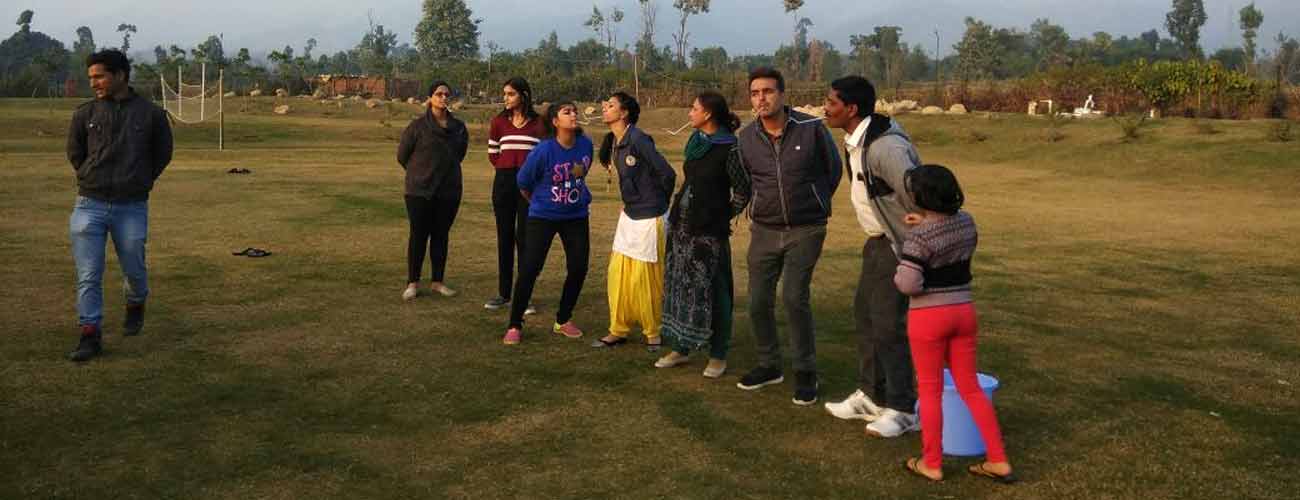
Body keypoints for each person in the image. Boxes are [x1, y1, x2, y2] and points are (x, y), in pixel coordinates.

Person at [895, 164, 1014, 484]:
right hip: (963, 311)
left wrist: (903, 263)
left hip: (928, 317)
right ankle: (998, 459)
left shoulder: (919, 237)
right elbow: (947, 232)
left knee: (930, 390)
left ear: (922, 197)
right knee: (970, 387)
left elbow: (908, 284)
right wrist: (925, 222)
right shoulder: (967, 222)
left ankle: (931, 463)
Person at [734, 67, 841, 406]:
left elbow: (833, 170)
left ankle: (806, 371)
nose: (761, 99)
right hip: (764, 229)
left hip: (806, 228)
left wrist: (815, 201)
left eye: (767, 91)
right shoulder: (746, 138)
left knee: (795, 297)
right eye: (755, 93)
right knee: (757, 301)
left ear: (782, 94)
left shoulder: (811, 128)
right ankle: (769, 365)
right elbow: (746, 180)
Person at [820, 75, 920, 438]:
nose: (825, 109)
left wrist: (915, 247)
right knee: (866, 317)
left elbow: (917, 195)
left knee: (889, 325)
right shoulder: (857, 140)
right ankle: (873, 396)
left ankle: (904, 409)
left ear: (851, 109)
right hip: (876, 243)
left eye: (831, 102)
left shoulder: (885, 147)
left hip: (897, 246)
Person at [65, 49, 174, 362]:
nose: (93, 83)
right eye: (91, 77)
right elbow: (75, 152)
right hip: (89, 204)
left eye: (99, 76)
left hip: (131, 206)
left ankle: (136, 302)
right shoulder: (84, 114)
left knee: (135, 270)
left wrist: (140, 180)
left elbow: (162, 153)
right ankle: (90, 333)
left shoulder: (152, 115)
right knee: (89, 273)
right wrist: (89, 175)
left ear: (121, 75)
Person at [654, 91, 750, 378]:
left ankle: (718, 354)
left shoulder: (729, 147)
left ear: (708, 114)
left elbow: (742, 190)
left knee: (714, 290)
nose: (689, 113)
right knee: (680, 287)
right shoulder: (695, 142)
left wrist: (721, 215)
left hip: (709, 232)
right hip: (682, 227)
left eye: (694, 109)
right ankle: (680, 347)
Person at [502, 102, 594, 345]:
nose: (574, 115)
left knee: (579, 267)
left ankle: (563, 319)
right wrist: (539, 202)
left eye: (574, 111)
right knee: (530, 268)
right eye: (567, 112)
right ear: (555, 121)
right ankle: (515, 324)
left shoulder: (585, 145)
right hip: (543, 217)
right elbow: (523, 182)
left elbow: (582, 174)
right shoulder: (543, 150)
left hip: (576, 216)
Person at [591, 92, 676, 351]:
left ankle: (653, 332)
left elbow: (667, 173)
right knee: (618, 274)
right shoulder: (615, 142)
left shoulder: (638, 139)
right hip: (629, 216)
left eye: (611, 105)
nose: (605, 109)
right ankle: (618, 330)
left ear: (624, 112)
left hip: (649, 218)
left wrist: (658, 203)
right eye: (605, 105)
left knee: (645, 279)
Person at [397, 81, 468, 301]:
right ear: (430, 98)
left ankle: (438, 282)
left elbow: (460, 155)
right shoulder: (417, 126)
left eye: (447, 94)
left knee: (441, 236)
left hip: (448, 191)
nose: (443, 98)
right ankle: (413, 283)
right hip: (419, 191)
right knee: (418, 235)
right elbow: (402, 156)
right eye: (439, 94)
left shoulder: (458, 128)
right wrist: (420, 173)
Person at [485, 77, 542, 316]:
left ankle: (524, 296)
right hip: (503, 183)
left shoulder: (539, 124)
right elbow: (493, 154)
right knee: (505, 238)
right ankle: (504, 293)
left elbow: (544, 156)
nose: (506, 98)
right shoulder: (499, 122)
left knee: (525, 241)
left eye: (511, 94)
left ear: (523, 95)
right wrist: (507, 170)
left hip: (530, 188)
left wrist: (528, 176)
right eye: (504, 94)